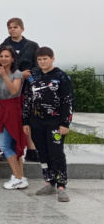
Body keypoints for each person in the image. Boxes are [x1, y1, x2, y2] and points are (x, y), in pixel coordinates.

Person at [24, 47, 73, 202]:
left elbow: (68, 101)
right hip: (36, 122)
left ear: (52, 58)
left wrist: (65, 123)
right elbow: (27, 99)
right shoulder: (33, 77)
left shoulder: (61, 76)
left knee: (56, 153)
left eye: (45, 59)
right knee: (43, 153)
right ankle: (49, 183)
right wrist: (25, 121)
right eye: (39, 59)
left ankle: (61, 186)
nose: (42, 62)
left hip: (55, 122)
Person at [0, 17, 40, 162]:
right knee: (10, 120)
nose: (12, 30)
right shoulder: (4, 45)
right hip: (10, 88)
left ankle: (31, 149)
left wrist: (29, 75)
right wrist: (19, 75)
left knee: (29, 118)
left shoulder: (33, 46)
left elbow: (38, 65)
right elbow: (1, 63)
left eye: (15, 27)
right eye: (9, 27)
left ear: (22, 29)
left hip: (28, 88)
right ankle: (9, 149)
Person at [0, 45, 28, 190]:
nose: (3, 59)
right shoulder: (1, 73)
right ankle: (19, 176)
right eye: (1, 56)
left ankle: (18, 178)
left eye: (7, 56)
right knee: (13, 145)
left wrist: (4, 76)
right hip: (4, 110)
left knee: (4, 145)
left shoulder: (17, 74)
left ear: (13, 58)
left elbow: (14, 90)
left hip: (13, 111)